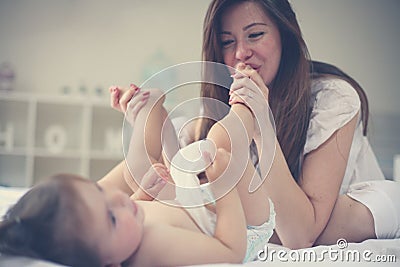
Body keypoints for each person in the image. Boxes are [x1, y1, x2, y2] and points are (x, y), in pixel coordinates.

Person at [193, 0, 400, 248]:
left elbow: (299, 235)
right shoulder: (217, 109)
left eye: (255, 35)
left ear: (285, 36)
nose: (241, 53)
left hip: (350, 218)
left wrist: (263, 127)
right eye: (227, 41)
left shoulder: (333, 98)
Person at [0, 85, 275, 266]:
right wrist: (225, 187)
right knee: (222, 141)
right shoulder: (152, 250)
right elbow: (230, 251)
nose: (119, 201)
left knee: (145, 170)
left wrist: (143, 194)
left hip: (196, 205)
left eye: (100, 191)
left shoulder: (126, 230)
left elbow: (141, 208)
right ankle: (247, 104)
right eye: (111, 218)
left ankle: (154, 113)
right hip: (242, 225)